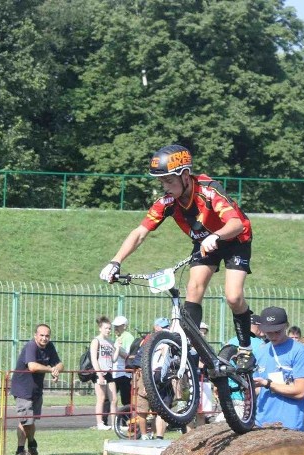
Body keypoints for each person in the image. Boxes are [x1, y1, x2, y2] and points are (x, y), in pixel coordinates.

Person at [100, 144, 255, 369]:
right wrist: (116, 261)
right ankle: (193, 346)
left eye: (169, 181)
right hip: (204, 241)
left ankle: (246, 348)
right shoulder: (168, 202)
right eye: (161, 182)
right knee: (194, 288)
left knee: (233, 297)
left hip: (234, 239)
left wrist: (217, 236)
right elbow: (140, 232)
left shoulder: (209, 190)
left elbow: (236, 223)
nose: (165, 187)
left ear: (184, 176)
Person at [252, 306, 304, 431]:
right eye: (269, 332)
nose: (273, 336)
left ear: (286, 326)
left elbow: (300, 391)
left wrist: (268, 384)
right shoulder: (260, 352)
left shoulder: (299, 351)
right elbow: (257, 390)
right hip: (262, 424)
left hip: (290, 426)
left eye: (277, 331)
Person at [11, 324, 63, 455]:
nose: (44, 338)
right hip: (23, 388)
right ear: (35, 335)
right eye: (42, 335)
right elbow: (32, 366)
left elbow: (60, 363)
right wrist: (51, 369)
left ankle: (26, 447)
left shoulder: (50, 347)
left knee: (30, 420)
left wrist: (56, 369)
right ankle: (25, 447)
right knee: (26, 420)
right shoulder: (31, 346)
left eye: (47, 336)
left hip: (36, 389)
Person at [128, 317, 170, 439]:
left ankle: (157, 435)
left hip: (160, 376)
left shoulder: (168, 339)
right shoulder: (149, 340)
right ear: (156, 327)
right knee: (143, 408)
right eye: (163, 327)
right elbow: (139, 360)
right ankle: (144, 434)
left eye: (167, 327)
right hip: (145, 375)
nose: (165, 329)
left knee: (159, 408)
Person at [89, 316, 115, 430]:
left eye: (109, 328)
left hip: (109, 372)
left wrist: (118, 348)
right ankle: (100, 424)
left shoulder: (110, 342)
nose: (108, 330)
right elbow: (94, 359)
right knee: (101, 398)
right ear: (100, 328)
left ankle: (114, 424)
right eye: (106, 328)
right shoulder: (96, 341)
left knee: (114, 399)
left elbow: (114, 358)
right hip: (100, 372)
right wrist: (99, 374)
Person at [111, 315, 135, 408]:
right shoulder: (118, 337)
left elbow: (128, 355)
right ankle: (106, 420)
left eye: (118, 326)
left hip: (124, 373)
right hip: (116, 372)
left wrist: (116, 348)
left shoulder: (128, 337)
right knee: (110, 398)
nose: (115, 328)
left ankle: (127, 420)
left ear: (124, 326)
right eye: (115, 326)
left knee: (125, 399)